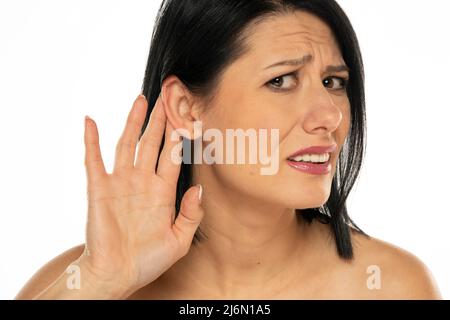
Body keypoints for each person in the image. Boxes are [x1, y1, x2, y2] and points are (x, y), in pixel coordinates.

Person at [16, 0, 441, 299]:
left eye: (334, 82)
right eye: (282, 80)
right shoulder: (75, 286)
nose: (329, 116)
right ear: (186, 108)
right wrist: (99, 283)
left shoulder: (392, 288)